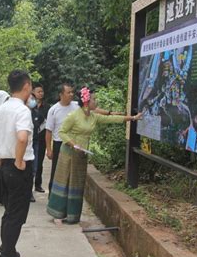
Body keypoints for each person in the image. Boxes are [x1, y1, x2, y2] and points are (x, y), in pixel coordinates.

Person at [47, 87, 142, 225]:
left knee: (77, 184)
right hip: (69, 153)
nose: (96, 102)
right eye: (94, 99)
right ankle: (58, 213)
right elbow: (62, 132)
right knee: (65, 181)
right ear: (86, 101)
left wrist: (133, 118)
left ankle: (72, 215)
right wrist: (73, 144)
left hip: (82, 154)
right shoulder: (74, 115)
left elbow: (112, 119)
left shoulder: (93, 116)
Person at [0, 70, 34, 257]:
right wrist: (20, 160)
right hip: (17, 167)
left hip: (3, 165)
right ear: (26, 86)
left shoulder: (0, 110)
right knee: (16, 214)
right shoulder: (22, 111)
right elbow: (22, 137)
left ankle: (7, 249)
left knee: (9, 212)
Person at [45, 83, 122, 194]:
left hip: (76, 144)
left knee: (72, 174)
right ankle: (53, 196)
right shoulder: (53, 109)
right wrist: (49, 149)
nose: (71, 94)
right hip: (60, 143)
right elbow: (48, 131)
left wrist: (110, 113)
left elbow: (95, 110)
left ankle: (68, 197)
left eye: (72, 92)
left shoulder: (77, 105)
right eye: (68, 92)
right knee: (57, 173)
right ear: (61, 94)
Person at [31, 83, 49, 194]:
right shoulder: (29, 106)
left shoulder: (47, 107)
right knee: (31, 164)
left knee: (39, 163)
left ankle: (38, 184)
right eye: (38, 91)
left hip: (41, 138)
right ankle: (29, 188)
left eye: (42, 91)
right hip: (31, 138)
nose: (41, 94)